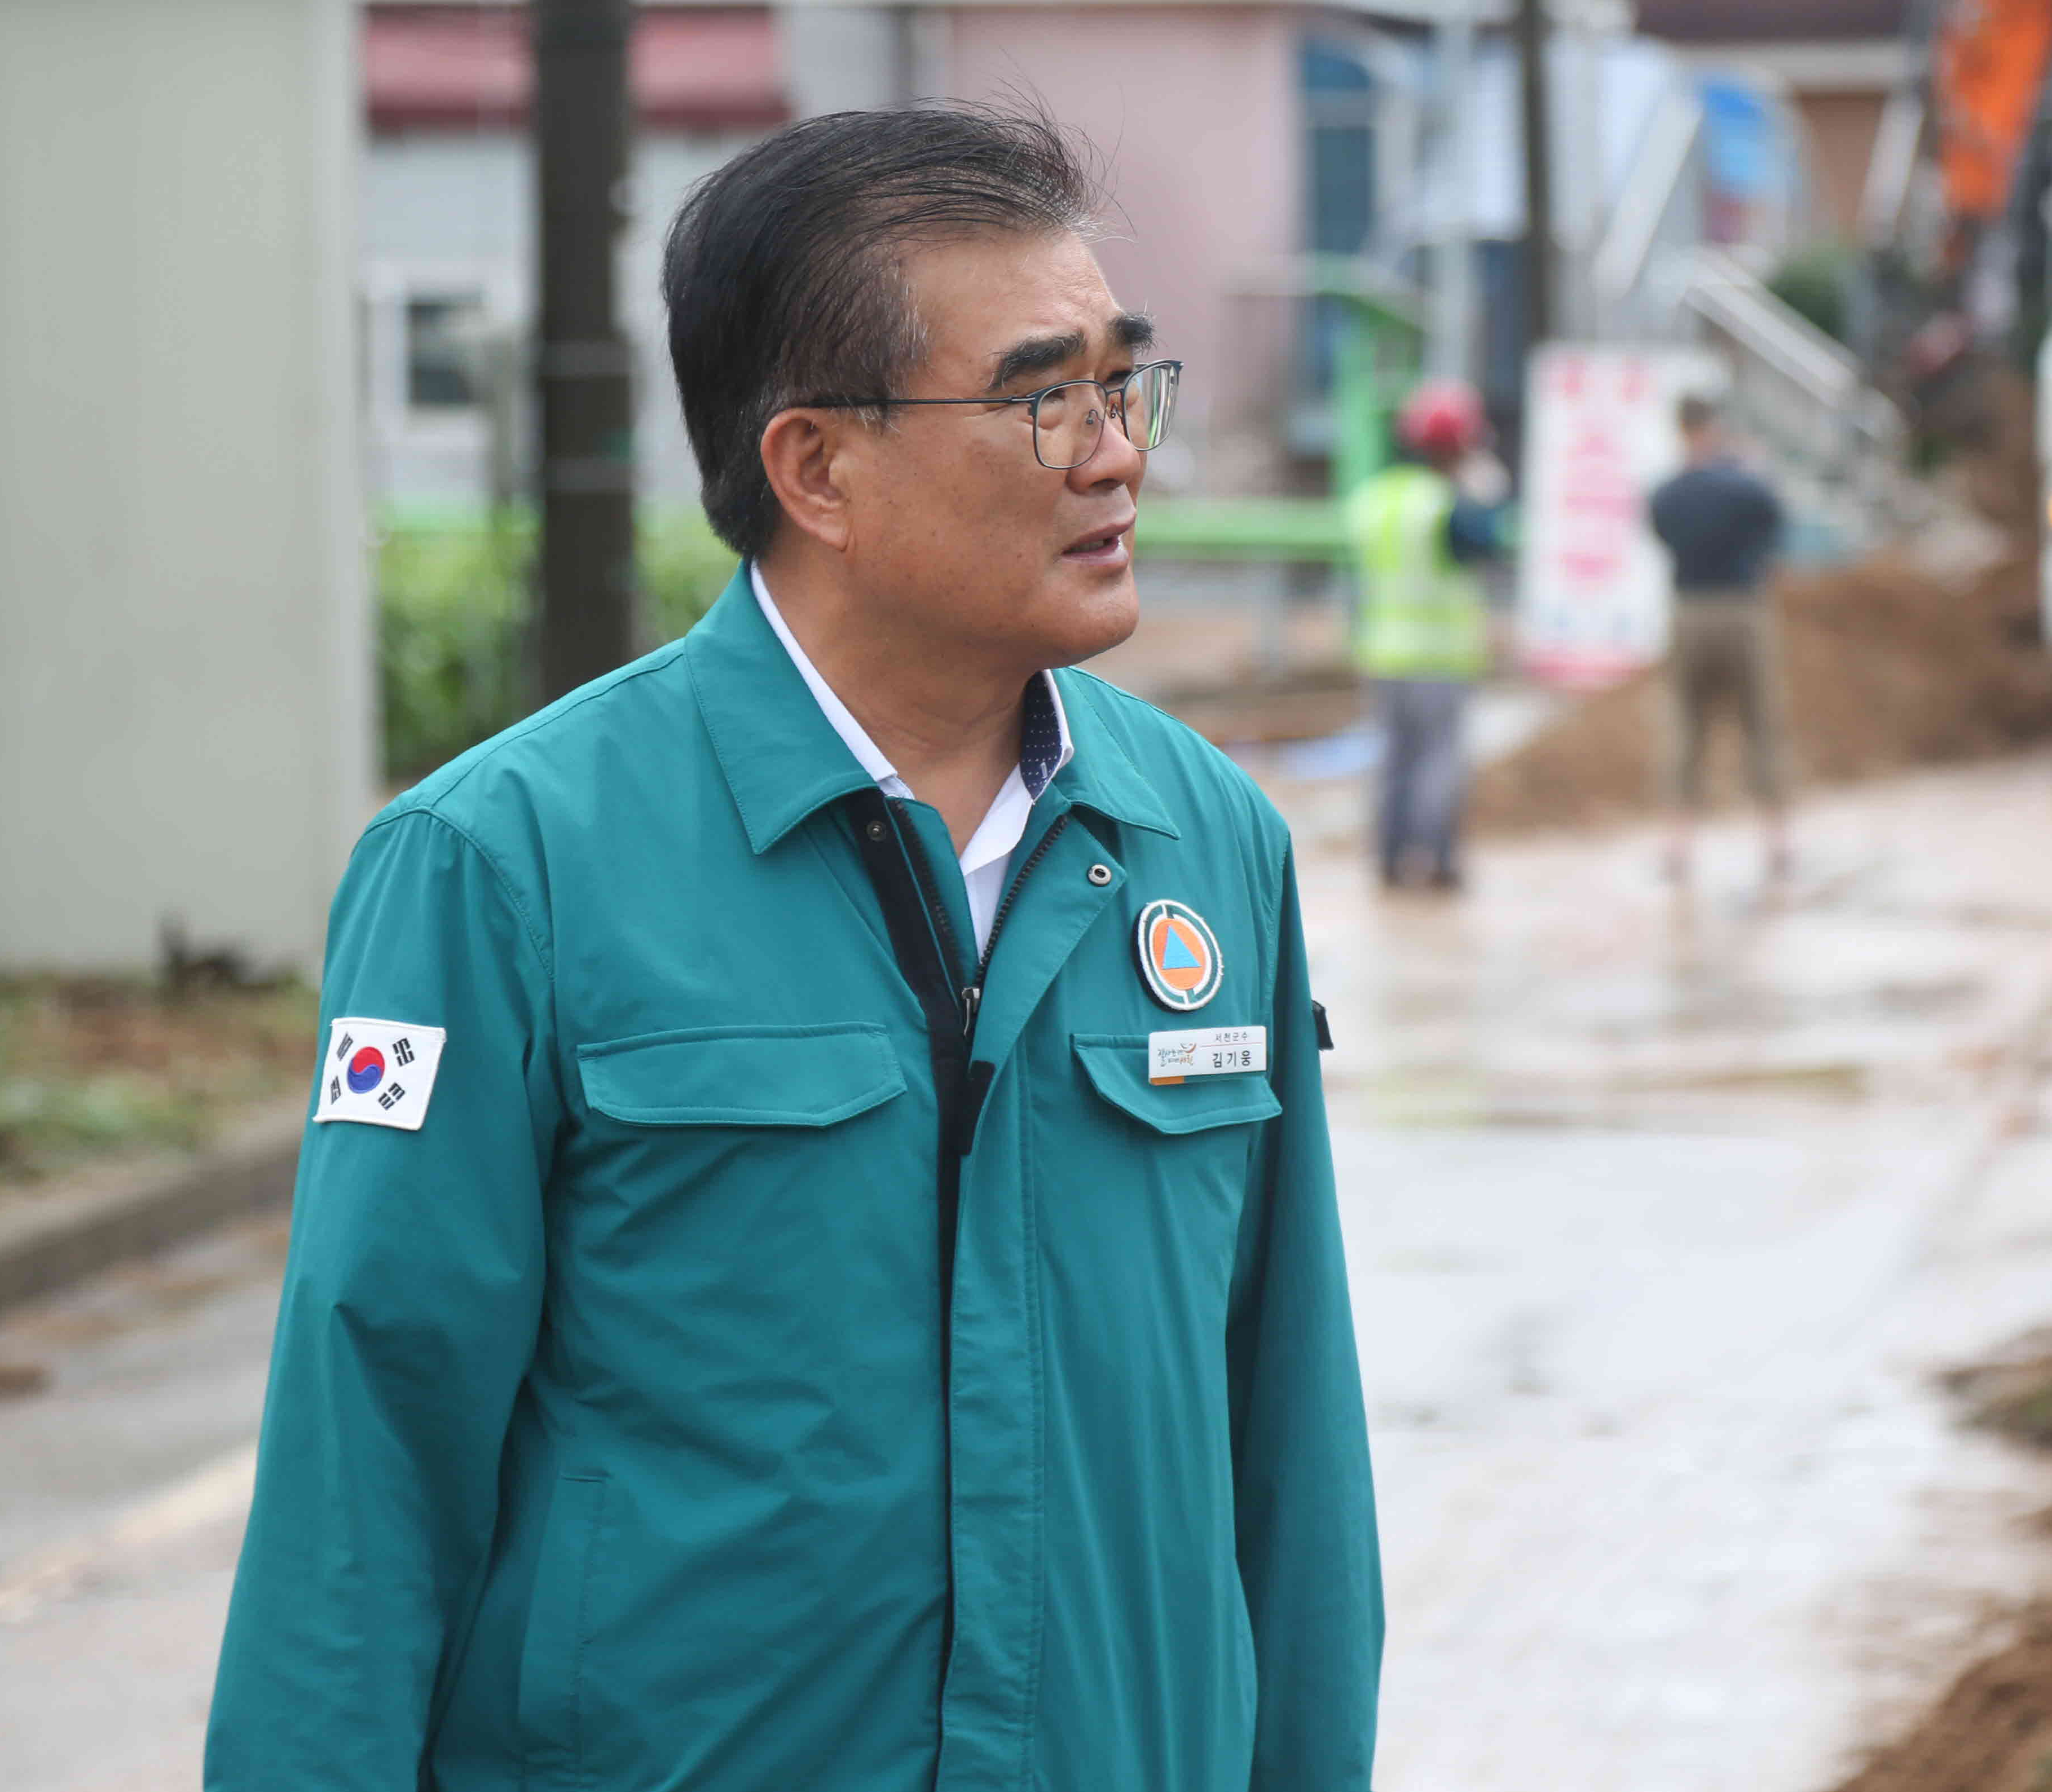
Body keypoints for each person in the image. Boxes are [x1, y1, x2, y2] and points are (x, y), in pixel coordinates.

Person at [205, 107, 1381, 1792]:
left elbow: (1289, 1441)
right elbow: (365, 1470)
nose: (1117, 449)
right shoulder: (501, 866)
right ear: (815, 466)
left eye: (1126, 381)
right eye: (1043, 395)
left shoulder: (1207, 843)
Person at [1346, 378, 1502, 892]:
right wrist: (1487, 494)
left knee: (1392, 760)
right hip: (1440, 658)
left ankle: (1388, 861)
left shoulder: (1375, 498)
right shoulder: (1449, 504)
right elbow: (1485, 546)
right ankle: (1436, 862)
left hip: (1384, 655)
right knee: (1438, 763)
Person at [1648, 395, 1792, 882]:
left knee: (1686, 728)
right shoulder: (1744, 488)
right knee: (1761, 725)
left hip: (1689, 610)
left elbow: (1659, 528)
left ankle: (1677, 845)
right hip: (1741, 609)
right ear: (1714, 427)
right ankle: (1777, 843)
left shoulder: (1668, 494)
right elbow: (1773, 519)